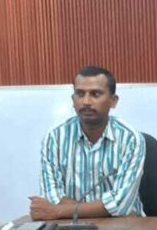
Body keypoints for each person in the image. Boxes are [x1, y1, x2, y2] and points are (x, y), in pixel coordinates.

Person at [31, 66, 146, 220]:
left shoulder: (130, 138)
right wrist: (89, 213)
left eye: (95, 94)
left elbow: (120, 204)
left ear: (113, 101)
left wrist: (59, 211)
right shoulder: (54, 138)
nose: (86, 102)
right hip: (70, 227)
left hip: (124, 227)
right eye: (80, 94)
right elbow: (53, 196)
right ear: (73, 100)